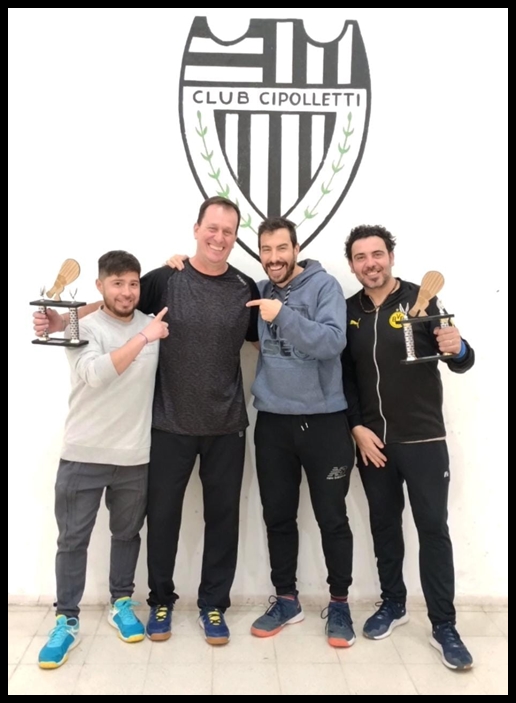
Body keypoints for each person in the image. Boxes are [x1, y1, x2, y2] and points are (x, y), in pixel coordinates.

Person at [342, 224, 475, 670]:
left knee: (433, 529)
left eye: (377, 254)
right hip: (374, 443)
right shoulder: (350, 311)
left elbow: (460, 359)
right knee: (384, 526)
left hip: (423, 440)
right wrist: (357, 427)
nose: (370, 264)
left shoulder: (423, 299)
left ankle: (444, 626)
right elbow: (345, 378)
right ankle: (393, 604)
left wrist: (458, 348)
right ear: (352, 265)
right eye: (361, 257)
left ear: (391, 256)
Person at [35, 250, 169, 669]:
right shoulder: (83, 327)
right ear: (100, 286)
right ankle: (66, 620)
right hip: (83, 454)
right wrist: (142, 338)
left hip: (134, 456)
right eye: (116, 283)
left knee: (127, 536)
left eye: (133, 283)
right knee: (72, 541)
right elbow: (95, 374)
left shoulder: (151, 322)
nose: (126, 292)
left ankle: (121, 603)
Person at [245, 217, 357, 647]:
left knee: (332, 518)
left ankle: (340, 603)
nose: (274, 258)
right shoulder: (260, 290)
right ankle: (286, 599)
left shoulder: (324, 287)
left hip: (324, 422)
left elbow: (332, 343)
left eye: (281, 249)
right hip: (273, 421)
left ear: (296, 249)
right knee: (277, 516)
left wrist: (283, 316)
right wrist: (178, 263)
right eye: (266, 250)